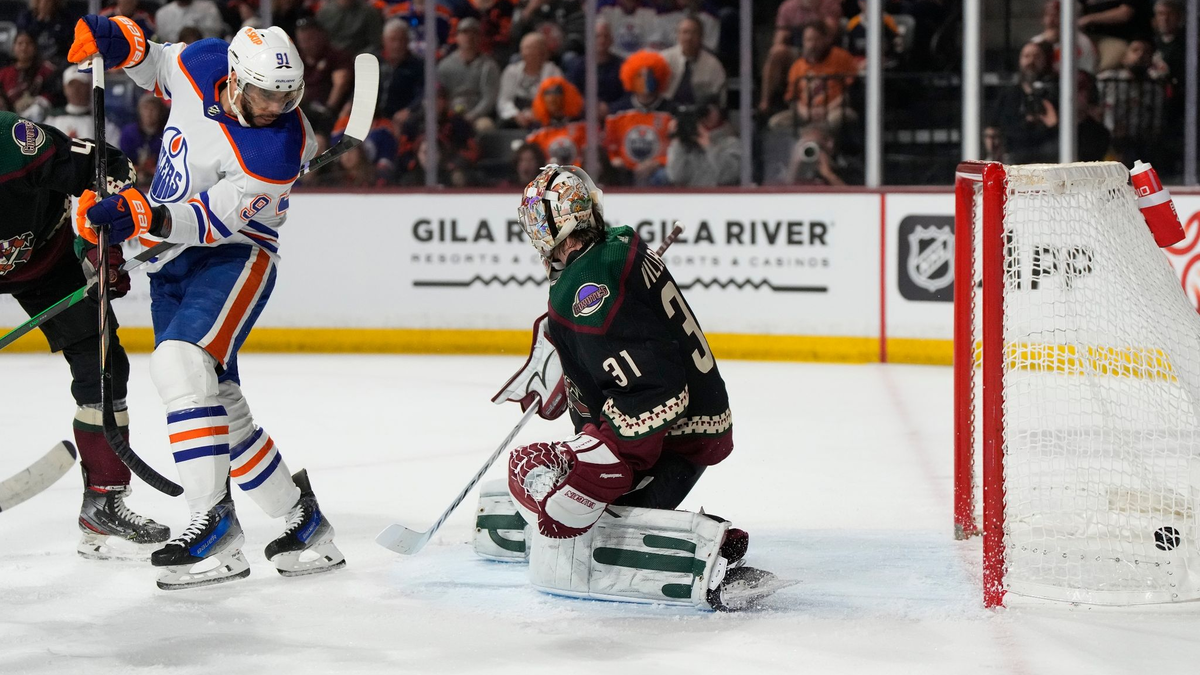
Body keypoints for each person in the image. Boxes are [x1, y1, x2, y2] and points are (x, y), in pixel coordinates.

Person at [67, 17, 346, 589]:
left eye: (286, 96)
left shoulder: (276, 149)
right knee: (218, 400)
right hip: (169, 263)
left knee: (178, 366)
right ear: (236, 79)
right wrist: (120, 40)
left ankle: (213, 524)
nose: (276, 105)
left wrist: (142, 214)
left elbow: (209, 220)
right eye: (267, 94)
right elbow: (159, 64)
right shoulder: (205, 62)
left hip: (234, 258)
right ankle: (304, 523)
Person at [474, 164, 787, 611]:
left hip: (669, 436)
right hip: (693, 421)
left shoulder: (587, 287)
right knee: (551, 482)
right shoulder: (615, 246)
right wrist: (575, 361)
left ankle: (703, 559)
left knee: (557, 493)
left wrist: (602, 466)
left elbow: (654, 392)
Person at [0, 112, 170, 559]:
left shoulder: (17, 144)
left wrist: (103, 239)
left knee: (103, 369)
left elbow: (109, 168)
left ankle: (104, 500)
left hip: (47, 261)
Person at [985, 41, 1059, 164]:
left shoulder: (1055, 92)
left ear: (1045, 61)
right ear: (1019, 61)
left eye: (1037, 56)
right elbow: (993, 126)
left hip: (1048, 156)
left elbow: (1056, 125)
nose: (1031, 61)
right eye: (1027, 56)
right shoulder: (1008, 94)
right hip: (1015, 154)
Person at [497, 32, 563, 128]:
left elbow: (555, 101)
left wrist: (536, 113)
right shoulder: (511, 71)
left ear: (542, 52)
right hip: (516, 116)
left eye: (531, 48)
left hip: (543, 116)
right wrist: (515, 115)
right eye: (524, 48)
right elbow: (504, 100)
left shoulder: (553, 71)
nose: (526, 52)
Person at [659, 14, 726, 107]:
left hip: (700, 114)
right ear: (678, 35)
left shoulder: (713, 65)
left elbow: (720, 100)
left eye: (694, 33)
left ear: (701, 36)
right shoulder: (663, 59)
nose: (689, 37)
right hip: (666, 111)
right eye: (685, 32)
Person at [43, 64, 122, 141]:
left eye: (81, 85)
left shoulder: (102, 122)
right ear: (64, 88)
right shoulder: (52, 119)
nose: (76, 90)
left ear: (89, 87)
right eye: (72, 85)